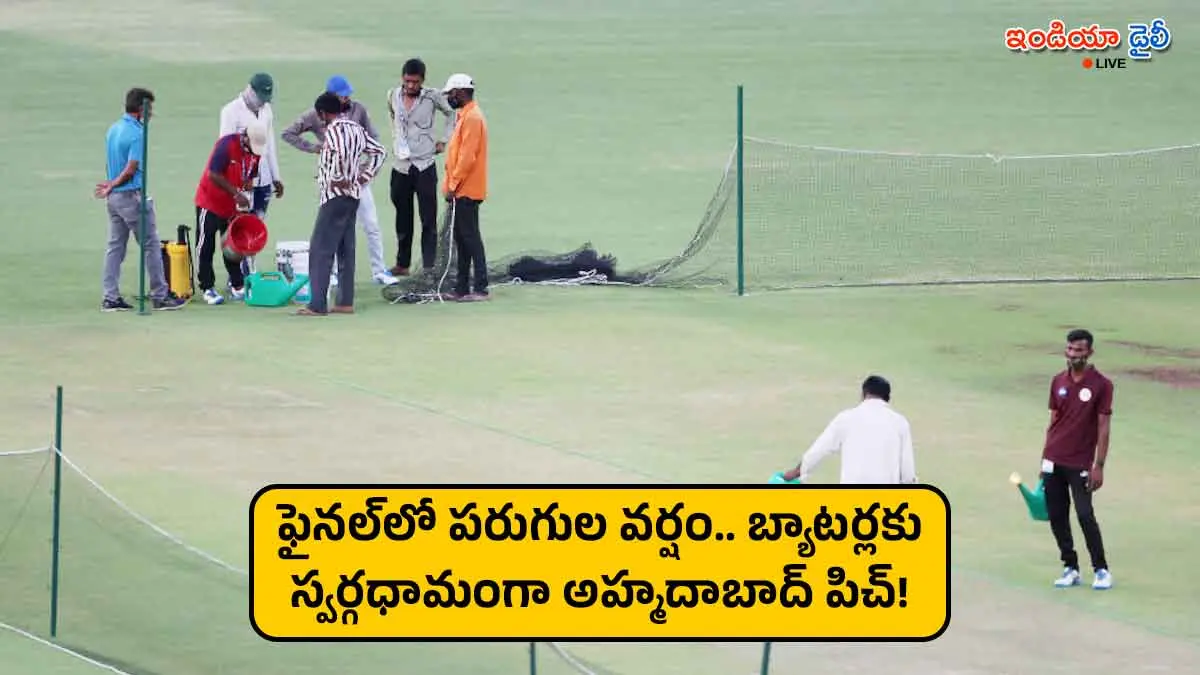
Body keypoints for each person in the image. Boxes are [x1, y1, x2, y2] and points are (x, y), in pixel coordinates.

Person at [281, 75, 396, 285]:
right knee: (332, 229)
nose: (347, 99)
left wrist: (365, 171)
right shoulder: (316, 114)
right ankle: (333, 273)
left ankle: (379, 271)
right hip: (332, 183)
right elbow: (288, 133)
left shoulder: (358, 110)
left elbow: (374, 139)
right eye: (342, 96)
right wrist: (314, 148)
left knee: (371, 224)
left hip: (357, 179)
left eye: (348, 95)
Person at [296, 92, 387, 316]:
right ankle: (345, 302)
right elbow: (380, 152)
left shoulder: (333, 131)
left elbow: (341, 152)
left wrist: (340, 175)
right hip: (353, 196)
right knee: (346, 248)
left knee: (321, 249)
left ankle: (317, 304)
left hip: (334, 196)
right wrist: (363, 177)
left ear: (322, 113)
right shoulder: (357, 129)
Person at [95, 87, 185, 312]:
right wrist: (115, 183)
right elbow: (131, 167)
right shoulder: (137, 133)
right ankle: (160, 295)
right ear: (140, 109)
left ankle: (110, 296)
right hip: (130, 196)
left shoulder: (114, 128)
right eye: (149, 108)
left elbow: (112, 162)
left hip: (114, 199)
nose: (151, 113)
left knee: (115, 247)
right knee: (151, 244)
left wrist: (110, 185)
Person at [1040, 328, 1113, 590]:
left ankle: (1101, 570)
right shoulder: (1058, 381)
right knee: (1057, 515)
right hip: (1054, 459)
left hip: (1080, 463)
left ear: (1089, 352)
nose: (1073, 355)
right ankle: (1070, 566)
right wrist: (1044, 459)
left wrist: (1099, 465)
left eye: (1079, 351)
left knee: (1084, 514)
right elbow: (1053, 421)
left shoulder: (1101, 385)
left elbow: (1103, 426)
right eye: (1070, 350)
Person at [386, 58, 456, 276]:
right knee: (402, 216)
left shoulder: (432, 97)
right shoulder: (392, 96)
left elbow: (453, 113)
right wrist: (396, 139)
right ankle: (402, 263)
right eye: (407, 81)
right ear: (402, 79)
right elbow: (393, 117)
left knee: (428, 218)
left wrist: (444, 139)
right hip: (401, 165)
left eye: (415, 82)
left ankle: (429, 265)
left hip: (424, 164)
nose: (410, 86)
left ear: (423, 80)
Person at [778, 375, 917, 484]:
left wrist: (796, 472)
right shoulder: (900, 423)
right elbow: (908, 474)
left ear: (863, 395)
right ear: (888, 398)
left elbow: (818, 451)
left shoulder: (846, 418)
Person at [193, 122, 269, 305]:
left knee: (233, 246)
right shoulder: (226, 145)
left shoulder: (254, 153)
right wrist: (236, 193)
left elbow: (250, 174)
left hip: (232, 207)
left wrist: (247, 187)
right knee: (206, 245)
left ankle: (237, 285)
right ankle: (207, 287)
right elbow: (214, 174)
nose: (254, 151)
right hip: (210, 202)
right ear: (245, 138)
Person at [219, 72, 283, 277]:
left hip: (263, 179)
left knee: (256, 228)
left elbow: (270, 144)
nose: (263, 103)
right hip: (242, 182)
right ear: (250, 91)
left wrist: (276, 176)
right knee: (238, 228)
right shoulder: (231, 111)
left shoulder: (266, 110)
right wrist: (236, 182)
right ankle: (236, 278)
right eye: (260, 97)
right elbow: (225, 149)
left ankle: (251, 273)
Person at [441, 73, 490, 301]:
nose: (449, 98)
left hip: (467, 189)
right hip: (463, 189)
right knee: (462, 239)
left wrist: (452, 184)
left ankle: (480, 288)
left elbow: (467, 158)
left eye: (451, 93)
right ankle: (461, 288)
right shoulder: (466, 116)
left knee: (470, 238)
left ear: (460, 92)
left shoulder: (472, 118)